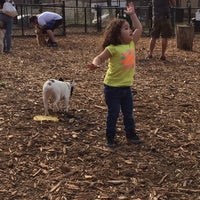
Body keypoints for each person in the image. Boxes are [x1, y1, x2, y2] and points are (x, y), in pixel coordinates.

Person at [88, 2, 142, 147]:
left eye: (129, 28)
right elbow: (99, 57)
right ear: (117, 34)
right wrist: (95, 64)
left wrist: (132, 15)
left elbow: (139, 28)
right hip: (112, 88)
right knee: (113, 113)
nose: (130, 30)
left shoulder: (131, 44)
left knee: (128, 113)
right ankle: (110, 137)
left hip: (126, 87)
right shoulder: (112, 48)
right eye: (126, 28)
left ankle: (131, 135)